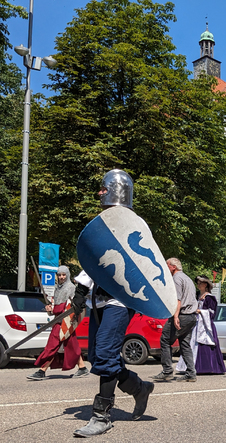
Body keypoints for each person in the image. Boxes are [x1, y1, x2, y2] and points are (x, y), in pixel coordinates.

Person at [70, 169, 154, 437]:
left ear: (116, 191)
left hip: (120, 299)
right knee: (98, 357)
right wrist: (81, 289)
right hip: (98, 301)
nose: (99, 193)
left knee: (105, 355)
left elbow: (140, 263)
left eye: (104, 189)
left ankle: (102, 416)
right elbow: (95, 258)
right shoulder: (101, 222)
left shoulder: (134, 223)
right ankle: (139, 389)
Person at [27, 265, 89, 380]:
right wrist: (50, 309)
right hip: (59, 321)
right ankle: (82, 367)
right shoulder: (57, 288)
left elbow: (73, 306)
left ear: (67, 275)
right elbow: (55, 308)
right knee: (71, 346)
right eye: (59, 275)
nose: (61, 277)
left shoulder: (71, 288)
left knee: (52, 346)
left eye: (63, 275)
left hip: (66, 322)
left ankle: (42, 371)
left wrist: (58, 310)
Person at [153, 258, 198, 382]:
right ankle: (191, 373)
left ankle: (167, 371)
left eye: (167, 265)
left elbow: (178, 299)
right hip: (191, 316)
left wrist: (176, 316)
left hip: (182, 315)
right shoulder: (187, 279)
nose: (166, 268)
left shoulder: (176, 279)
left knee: (165, 340)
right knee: (184, 344)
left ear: (173, 267)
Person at [176, 276, 226, 374]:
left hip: (205, 325)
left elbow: (212, 312)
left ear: (205, 284)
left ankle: (207, 367)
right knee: (192, 343)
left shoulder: (210, 297)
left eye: (200, 283)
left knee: (205, 342)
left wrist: (200, 311)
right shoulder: (197, 295)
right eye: (198, 283)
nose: (198, 285)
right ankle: (190, 366)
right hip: (196, 323)